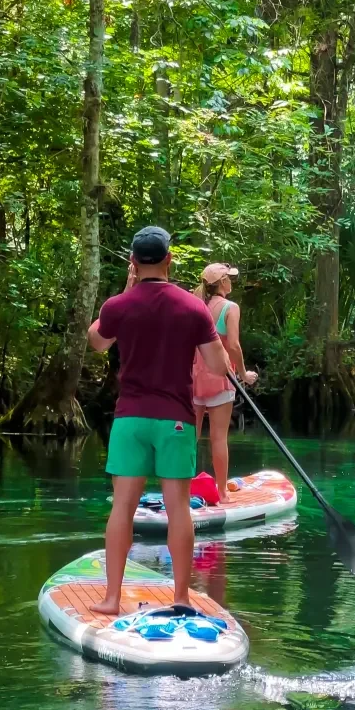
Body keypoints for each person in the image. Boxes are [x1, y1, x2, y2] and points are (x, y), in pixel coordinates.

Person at [87, 226, 230, 615]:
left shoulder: (117, 306)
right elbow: (218, 365)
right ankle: (180, 597)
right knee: (178, 507)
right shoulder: (193, 307)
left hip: (130, 420)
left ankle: (111, 599)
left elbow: (97, 341)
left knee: (122, 507)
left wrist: (123, 291)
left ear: (133, 262)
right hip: (176, 421)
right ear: (169, 259)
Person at [192, 263, 257, 503]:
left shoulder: (194, 304)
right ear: (221, 282)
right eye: (229, 278)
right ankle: (221, 493)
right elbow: (234, 346)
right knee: (218, 438)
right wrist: (243, 374)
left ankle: (181, 489)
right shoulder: (230, 307)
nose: (232, 282)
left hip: (193, 379)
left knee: (190, 437)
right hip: (220, 378)